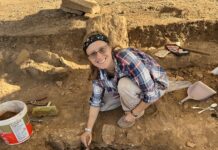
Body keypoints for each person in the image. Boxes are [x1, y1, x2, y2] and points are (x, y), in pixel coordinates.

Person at [80, 32, 169, 148]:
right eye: (93, 54)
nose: (99, 57)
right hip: (128, 87)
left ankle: (134, 110)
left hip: (155, 85)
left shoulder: (127, 58)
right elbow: (96, 101)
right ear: (89, 58)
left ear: (110, 47)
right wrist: (88, 130)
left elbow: (151, 93)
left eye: (102, 49)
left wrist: (132, 114)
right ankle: (127, 98)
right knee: (101, 106)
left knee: (124, 85)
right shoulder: (97, 71)